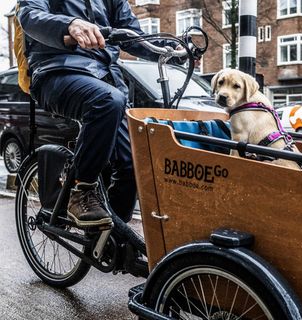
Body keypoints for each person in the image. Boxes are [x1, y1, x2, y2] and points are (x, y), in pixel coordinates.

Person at [17, 0, 183, 227]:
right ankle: (82, 191)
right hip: (56, 71)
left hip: (106, 77)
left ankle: (112, 242)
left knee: (133, 162)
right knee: (106, 100)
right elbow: (30, 15)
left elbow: (132, 35)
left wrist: (173, 49)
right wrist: (71, 24)